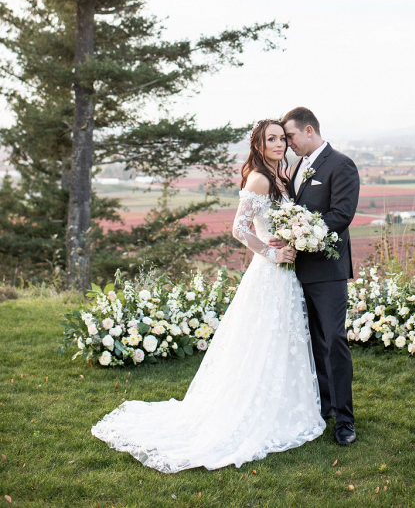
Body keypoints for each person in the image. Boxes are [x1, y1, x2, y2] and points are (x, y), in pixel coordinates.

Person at [91, 119, 325, 472]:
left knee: (282, 339)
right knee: (262, 339)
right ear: (259, 146)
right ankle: (249, 410)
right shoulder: (260, 178)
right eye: (271, 139)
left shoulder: (285, 173)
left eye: (281, 138)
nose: (279, 144)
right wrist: (272, 252)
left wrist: (293, 239)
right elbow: (239, 229)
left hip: (286, 275)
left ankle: (285, 406)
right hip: (269, 272)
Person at [277, 107, 360, 446]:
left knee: (334, 341)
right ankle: (323, 407)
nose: (287, 144)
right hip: (297, 271)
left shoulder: (341, 165)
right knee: (312, 341)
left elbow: (341, 214)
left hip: (327, 270)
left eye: (290, 137)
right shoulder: (296, 166)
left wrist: (302, 233)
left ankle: (345, 420)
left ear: (308, 130)